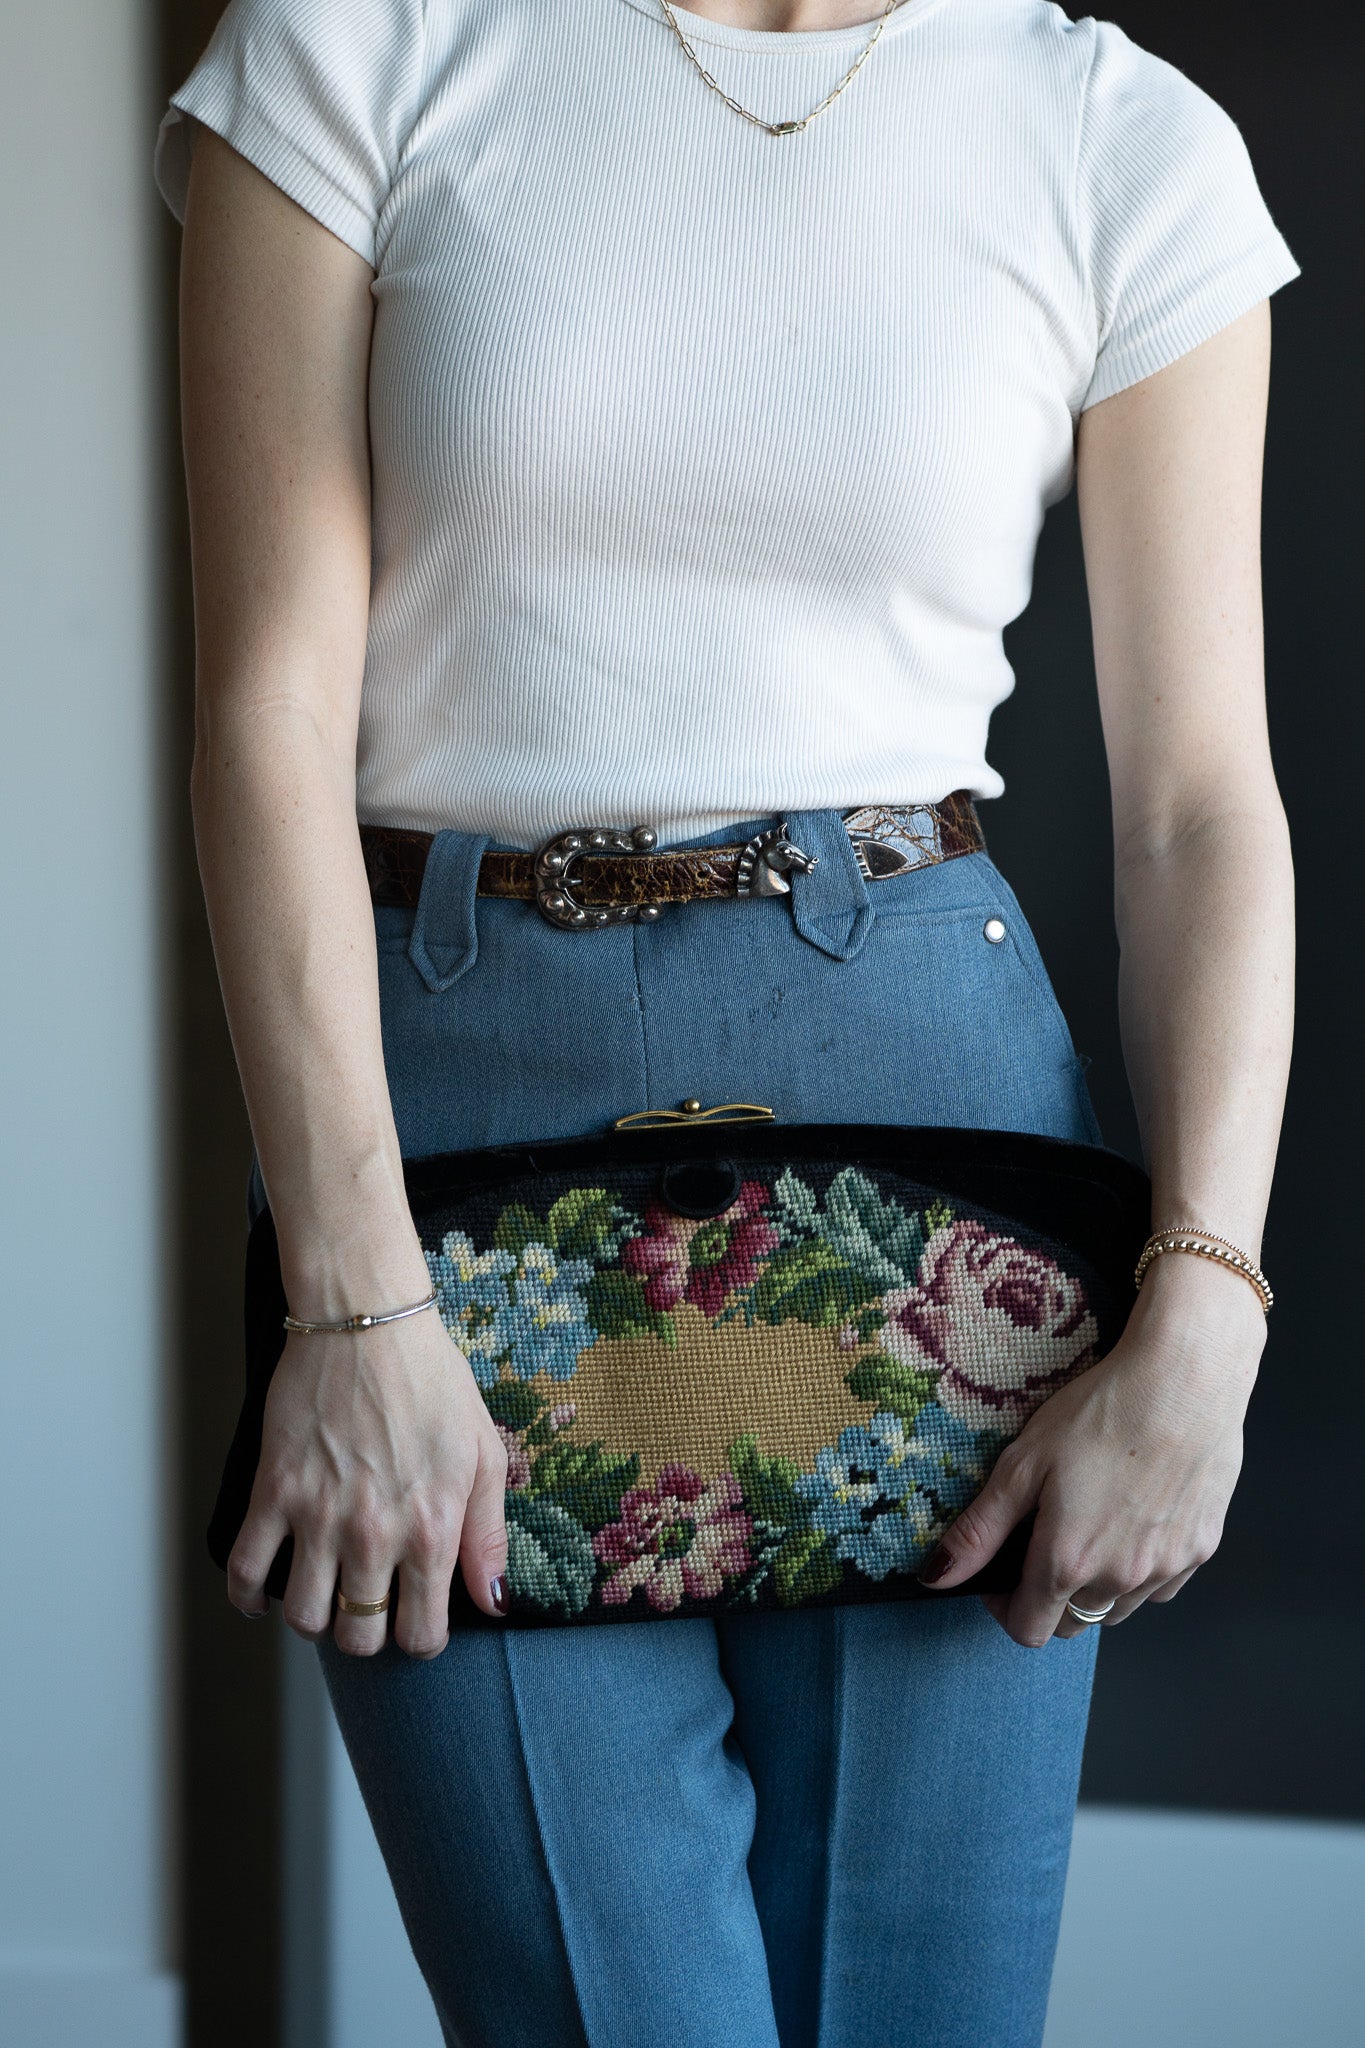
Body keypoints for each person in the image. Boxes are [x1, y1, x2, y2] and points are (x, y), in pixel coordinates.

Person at [152, 1, 1299, 2042]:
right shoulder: (361, 43)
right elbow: (261, 714)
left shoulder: (1120, 137)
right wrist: (348, 1300)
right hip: (445, 1143)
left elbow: (1198, 803)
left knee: (913, 2017)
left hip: (938, 1141)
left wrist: (1203, 1311)